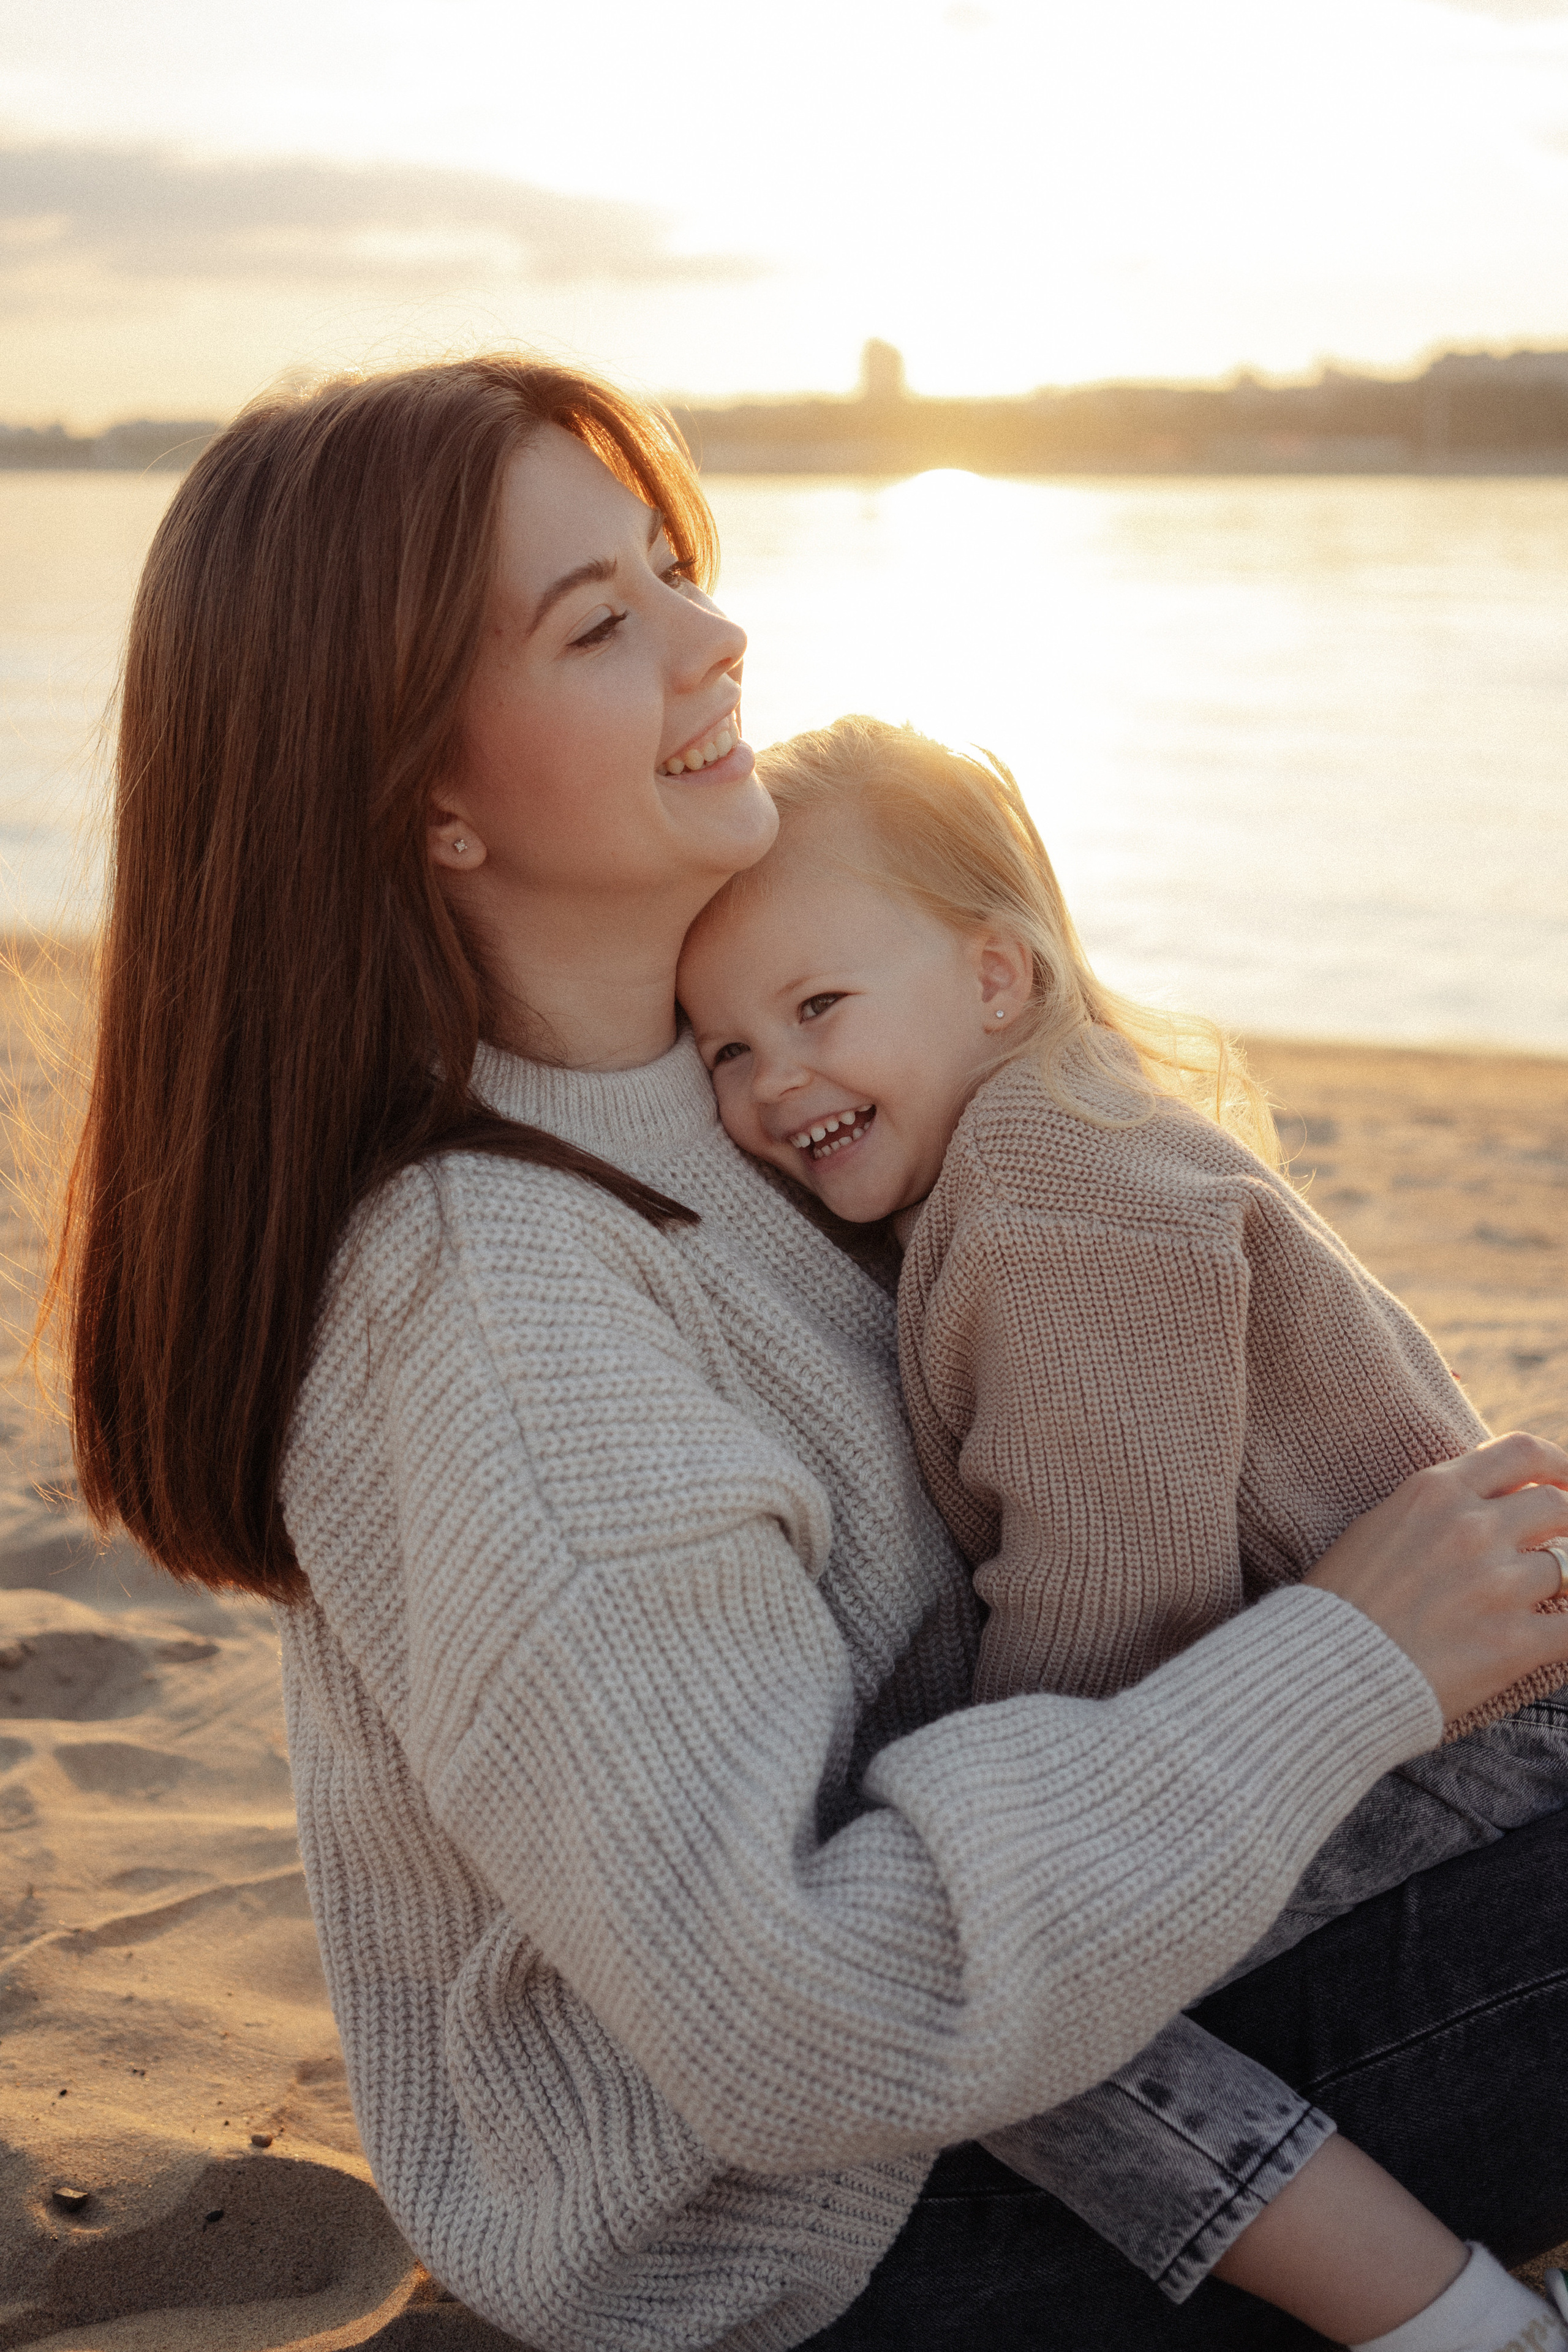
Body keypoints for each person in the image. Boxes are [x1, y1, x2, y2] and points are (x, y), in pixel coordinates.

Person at [50, 353, 1568, 2352]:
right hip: (845, 2234)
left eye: (674, 569)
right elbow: (807, 2026)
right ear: (419, 797)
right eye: (606, 622)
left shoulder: (740, 1108)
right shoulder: (496, 1313)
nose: (720, 633)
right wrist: (1355, 1662)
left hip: (1045, 2033)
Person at [676, 712, 1568, 2346]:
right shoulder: (1032, 1150)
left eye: (817, 1007)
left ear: (996, 979)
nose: (773, 1078)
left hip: (1477, 1732)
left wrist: (973, 1849)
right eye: (724, 1047)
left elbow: (1115, 1624)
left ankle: (1458, 2326)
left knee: (996, 1993)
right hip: (1431, 1703)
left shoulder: (1050, 1188)